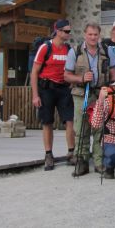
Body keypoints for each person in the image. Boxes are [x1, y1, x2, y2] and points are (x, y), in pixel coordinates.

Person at [64, 22, 109, 176]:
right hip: (81, 94)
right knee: (81, 129)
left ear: (99, 35)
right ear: (85, 35)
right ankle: (82, 162)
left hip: (99, 94)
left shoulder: (105, 51)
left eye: (95, 34)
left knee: (99, 129)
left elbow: (112, 72)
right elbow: (66, 75)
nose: (93, 37)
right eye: (90, 34)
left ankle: (98, 161)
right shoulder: (75, 52)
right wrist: (81, 78)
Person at [31, 19, 75, 171]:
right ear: (58, 30)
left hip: (63, 88)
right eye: (66, 31)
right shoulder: (45, 47)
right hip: (46, 88)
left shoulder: (69, 49)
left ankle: (71, 153)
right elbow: (34, 72)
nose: (69, 34)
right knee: (47, 122)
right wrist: (35, 95)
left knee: (69, 120)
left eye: (69, 31)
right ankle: (48, 155)